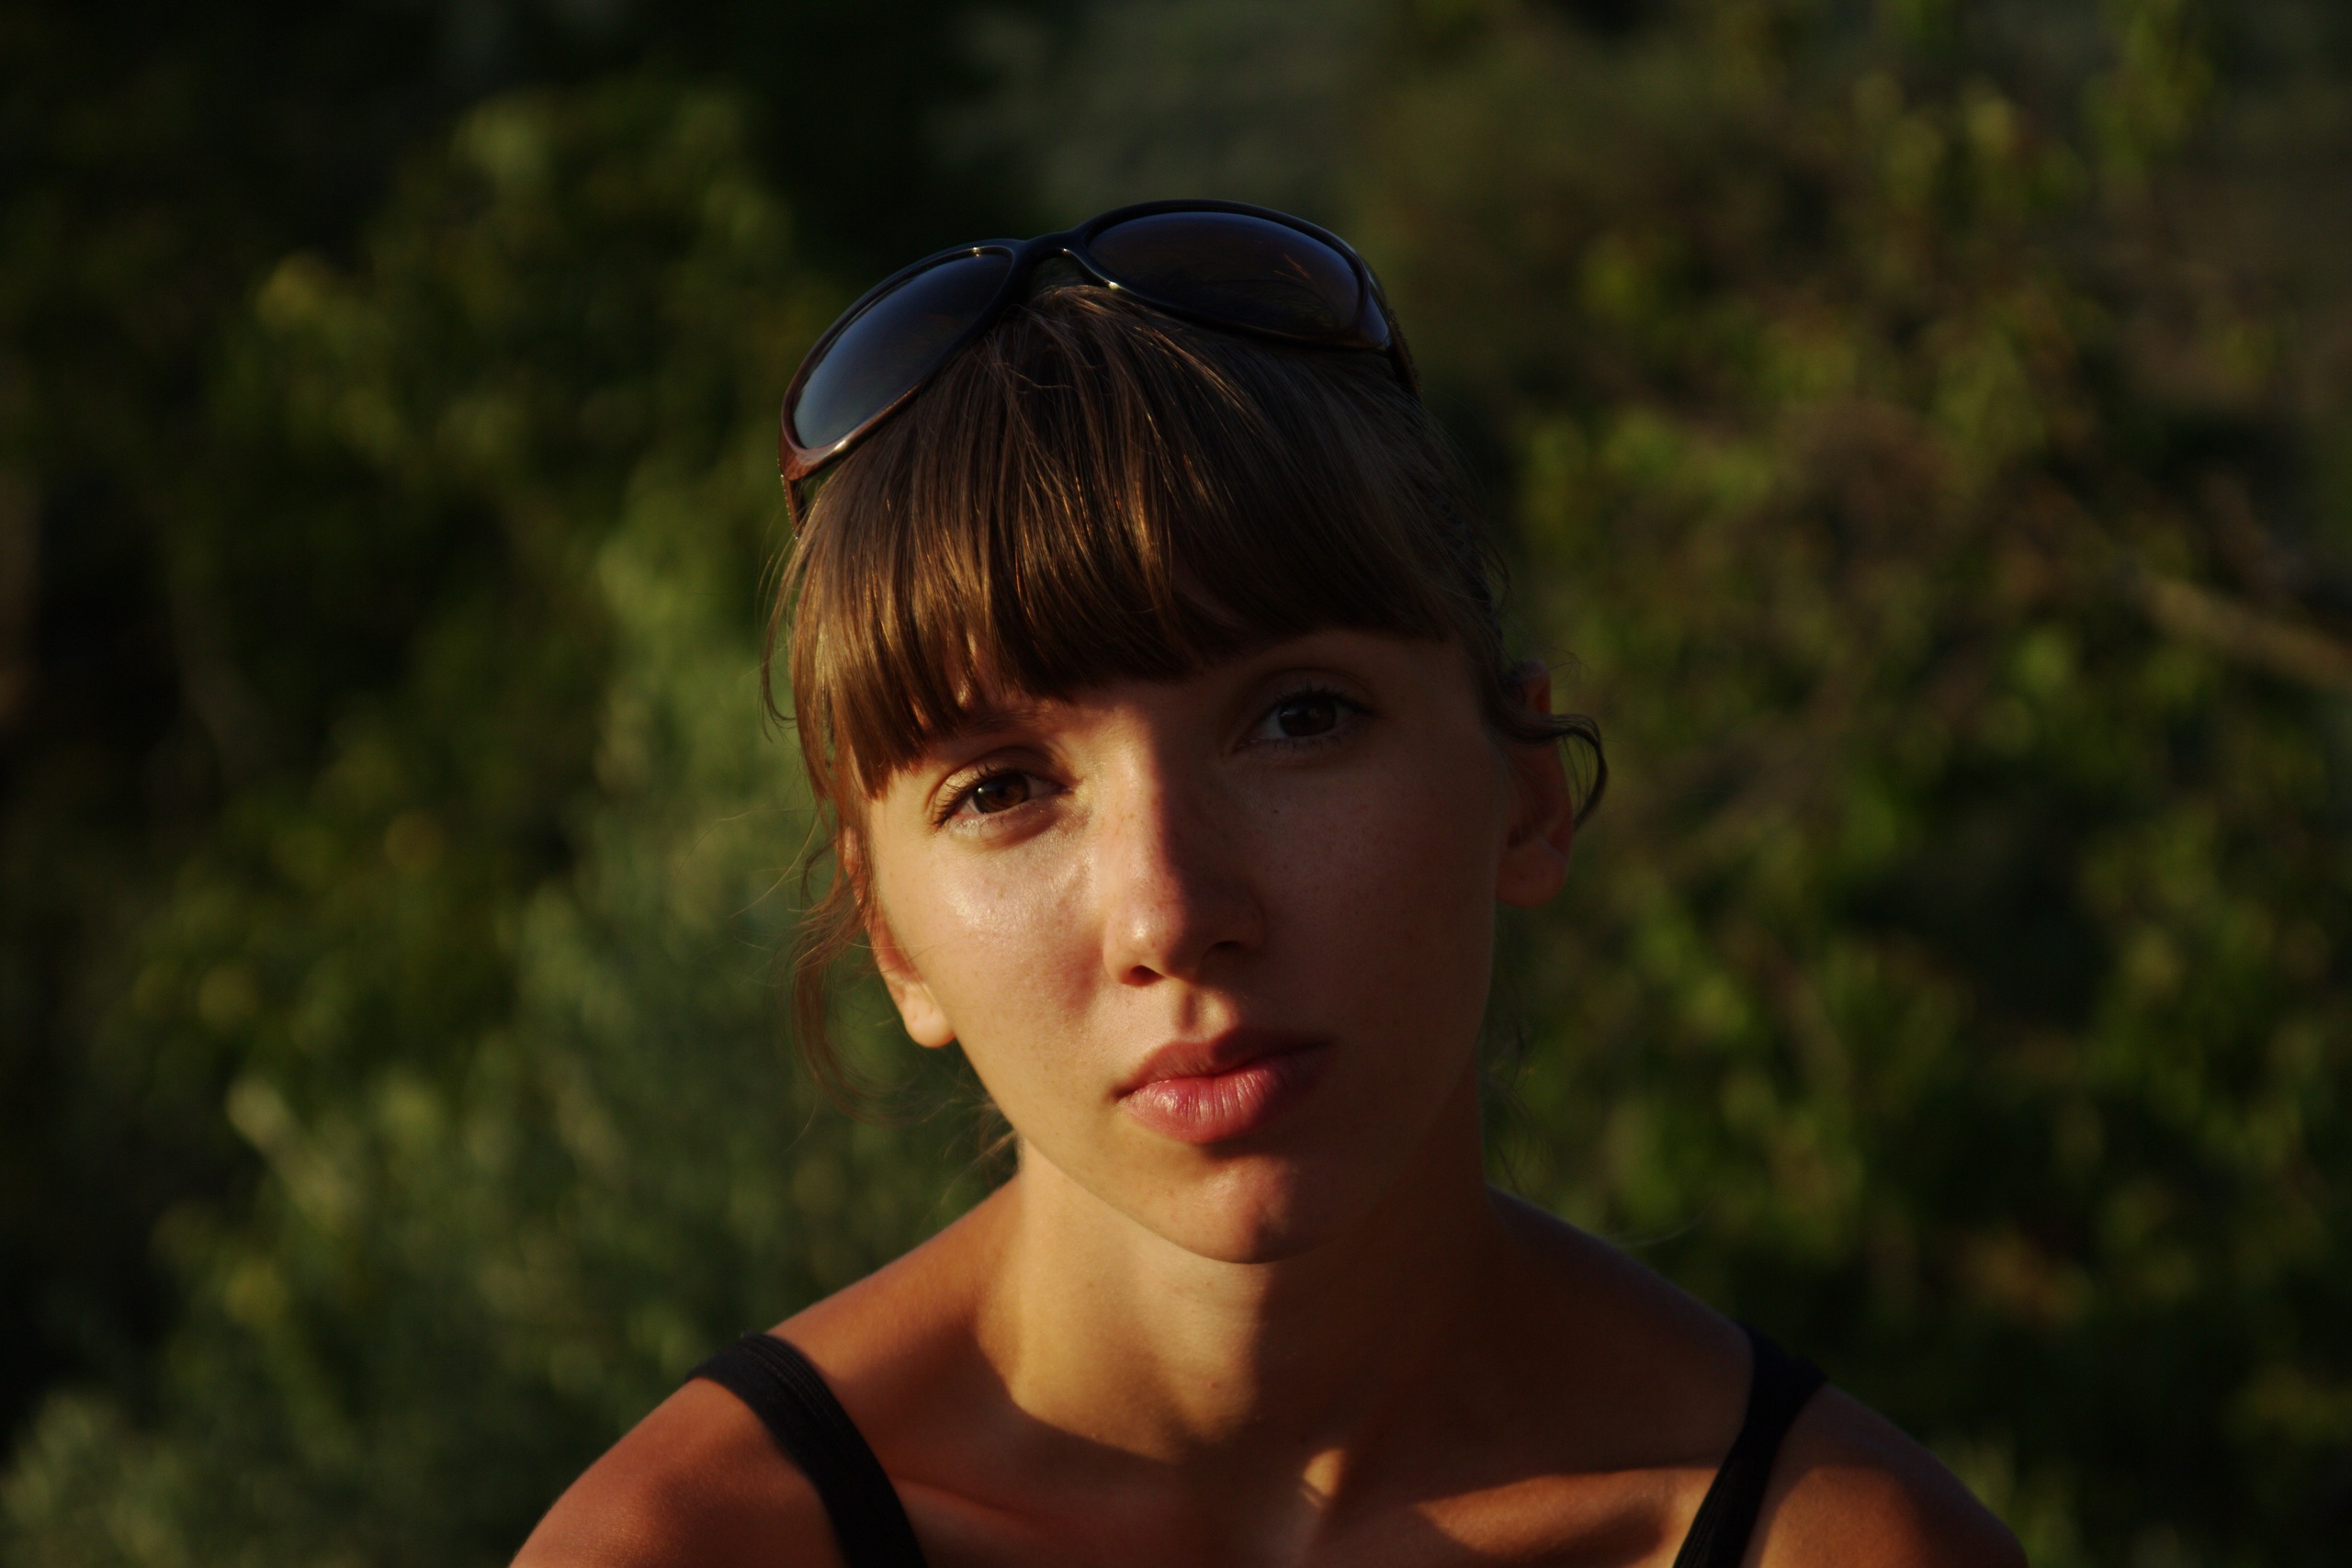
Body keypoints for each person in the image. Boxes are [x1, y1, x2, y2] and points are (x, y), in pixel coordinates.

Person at [514, 202, 2022, 1568]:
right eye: (1005, 790)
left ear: (1526, 796)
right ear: (893, 940)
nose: (1173, 913)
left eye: (1300, 719)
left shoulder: (1843, 1549)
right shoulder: (682, 1550)